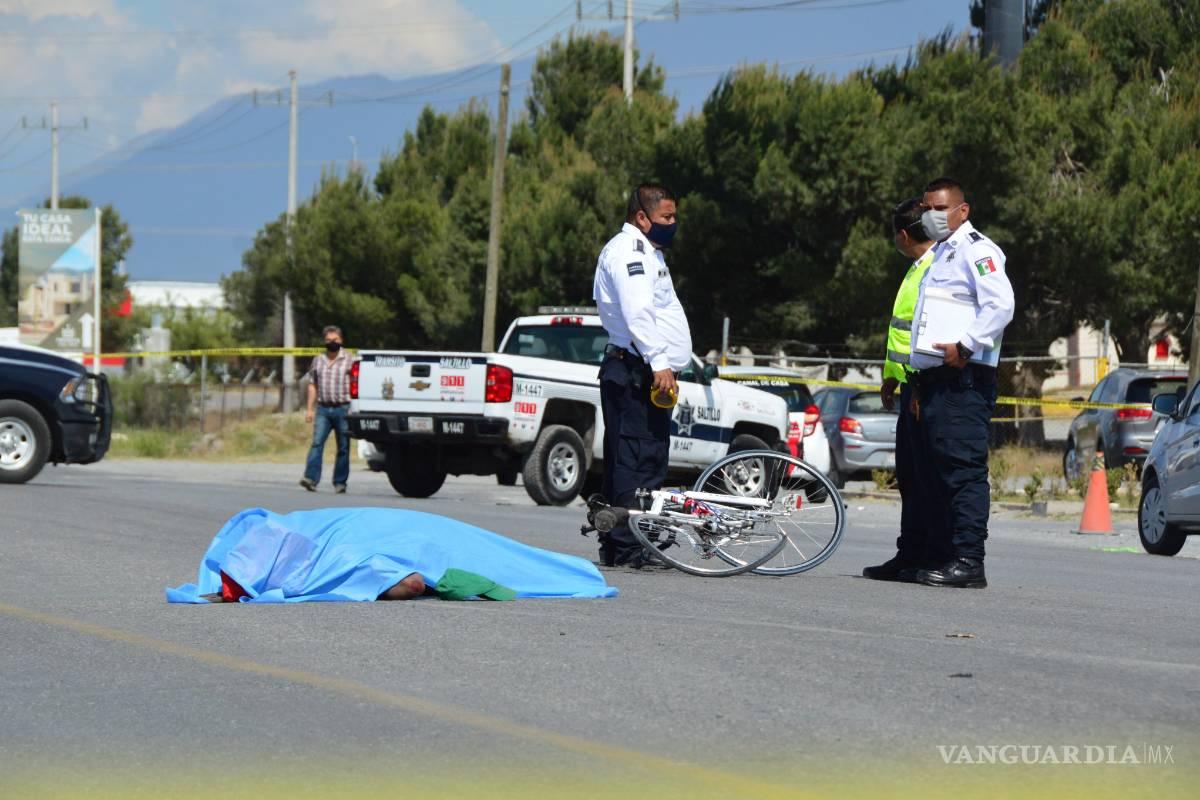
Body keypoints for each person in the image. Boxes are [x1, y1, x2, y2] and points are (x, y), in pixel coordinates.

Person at [908, 177, 1015, 588]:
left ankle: (970, 560)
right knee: (936, 474)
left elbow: (1001, 304)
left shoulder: (977, 250)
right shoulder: (940, 254)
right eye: (926, 209)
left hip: (963, 380)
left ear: (962, 210)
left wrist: (967, 346)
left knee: (963, 472)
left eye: (939, 209)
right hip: (936, 380)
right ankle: (942, 555)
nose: (930, 216)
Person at [591, 183, 693, 567]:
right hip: (638, 370)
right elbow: (637, 313)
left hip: (639, 368)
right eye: (667, 216)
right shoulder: (631, 253)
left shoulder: (646, 251)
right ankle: (628, 547)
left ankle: (622, 543)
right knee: (637, 461)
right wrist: (659, 362)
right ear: (642, 217)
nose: (673, 222)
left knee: (635, 460)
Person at [863, 198, 950, 582]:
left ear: (903, 234)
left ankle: (929, 554)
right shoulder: (918, 269)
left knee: (926, 480)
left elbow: (928, 334)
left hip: (924, 389)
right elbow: (903, 335)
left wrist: (915, 387)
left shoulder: (933, 270)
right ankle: (910, 553)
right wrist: (892, 378)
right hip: (909, 387)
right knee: (910, 478)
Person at [300, 325, 353, 493]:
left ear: (341, 340)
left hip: (343, 408)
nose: (332, 343)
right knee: (317, 443)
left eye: (335, 340)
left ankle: (340, 482)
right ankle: (310, 478)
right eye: (328, 340)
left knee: (343, 447)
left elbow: (356, 384)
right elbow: (312, 385)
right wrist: (310, 409)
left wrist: (354, 407)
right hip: (323, 409)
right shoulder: (318, 360)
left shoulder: (350, 359)